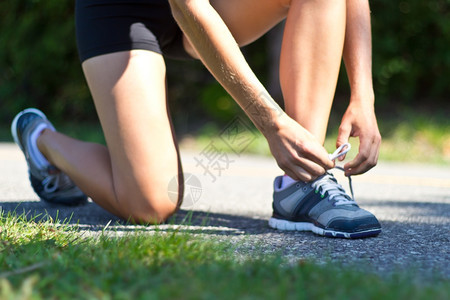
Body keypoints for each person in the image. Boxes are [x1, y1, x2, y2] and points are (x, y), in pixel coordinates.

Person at [11, 0, 381, 238]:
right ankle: (40, 139)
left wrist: (363, 94)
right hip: (122, 10)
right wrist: (272, 122)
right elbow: (187, 7)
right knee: (151, 204)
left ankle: (302, 183)